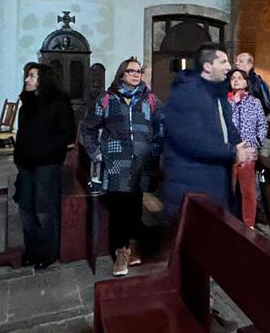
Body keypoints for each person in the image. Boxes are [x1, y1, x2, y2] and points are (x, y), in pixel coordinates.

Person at [160, 43, 254, 240]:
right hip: (191, 185)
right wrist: (233, 153)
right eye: (223, 61)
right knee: (193, 247)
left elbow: (227, 127)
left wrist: (240, 144)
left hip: (213, 184)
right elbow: (192, 141)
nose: (229, 67)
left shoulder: (217, 94)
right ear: (207, 66)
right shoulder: (187, 93)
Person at [82, 57, 161, 276]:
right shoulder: (107, 99)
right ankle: (121, 252)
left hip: (141, 163)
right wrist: (96, 152)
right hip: (116, 163)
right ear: (121, 74)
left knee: (135, 208)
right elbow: (88, 128)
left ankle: (133, 245)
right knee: (119, 210)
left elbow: (161, 124)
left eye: (139, 71)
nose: (136, 75)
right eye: (132, 71)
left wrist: (155, 151)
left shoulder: (149, 98)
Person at [14, 63, 76, 270]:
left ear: (43, 80)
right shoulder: (27, 104)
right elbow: (23, 134)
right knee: (26, 209)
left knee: (44, 210)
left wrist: (42, 151)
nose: (27, 80)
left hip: (46, 164)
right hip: (25, 164)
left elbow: (66, 134)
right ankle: (31, 250)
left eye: (32, 76)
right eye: (28, 76)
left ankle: (47, 252)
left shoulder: (58, 103)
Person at [227, 67, 266, 228]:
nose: (236, 80)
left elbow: (262, 125)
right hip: (229, 151)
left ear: (246, 82)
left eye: (239, 77)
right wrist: (234, 103)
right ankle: (228, 221)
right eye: (233, 78)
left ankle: (249, 223)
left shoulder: (254, 102)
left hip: (248, 152)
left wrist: (256, 144)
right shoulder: (225, 102)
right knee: (229, 189)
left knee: (248, 191)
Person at [235, 51, 270, 115]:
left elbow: (266, 105)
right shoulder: (230, 80)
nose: (236, 63)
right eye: (236, 61)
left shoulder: (258, 83)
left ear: (249, 65)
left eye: (241, 61)